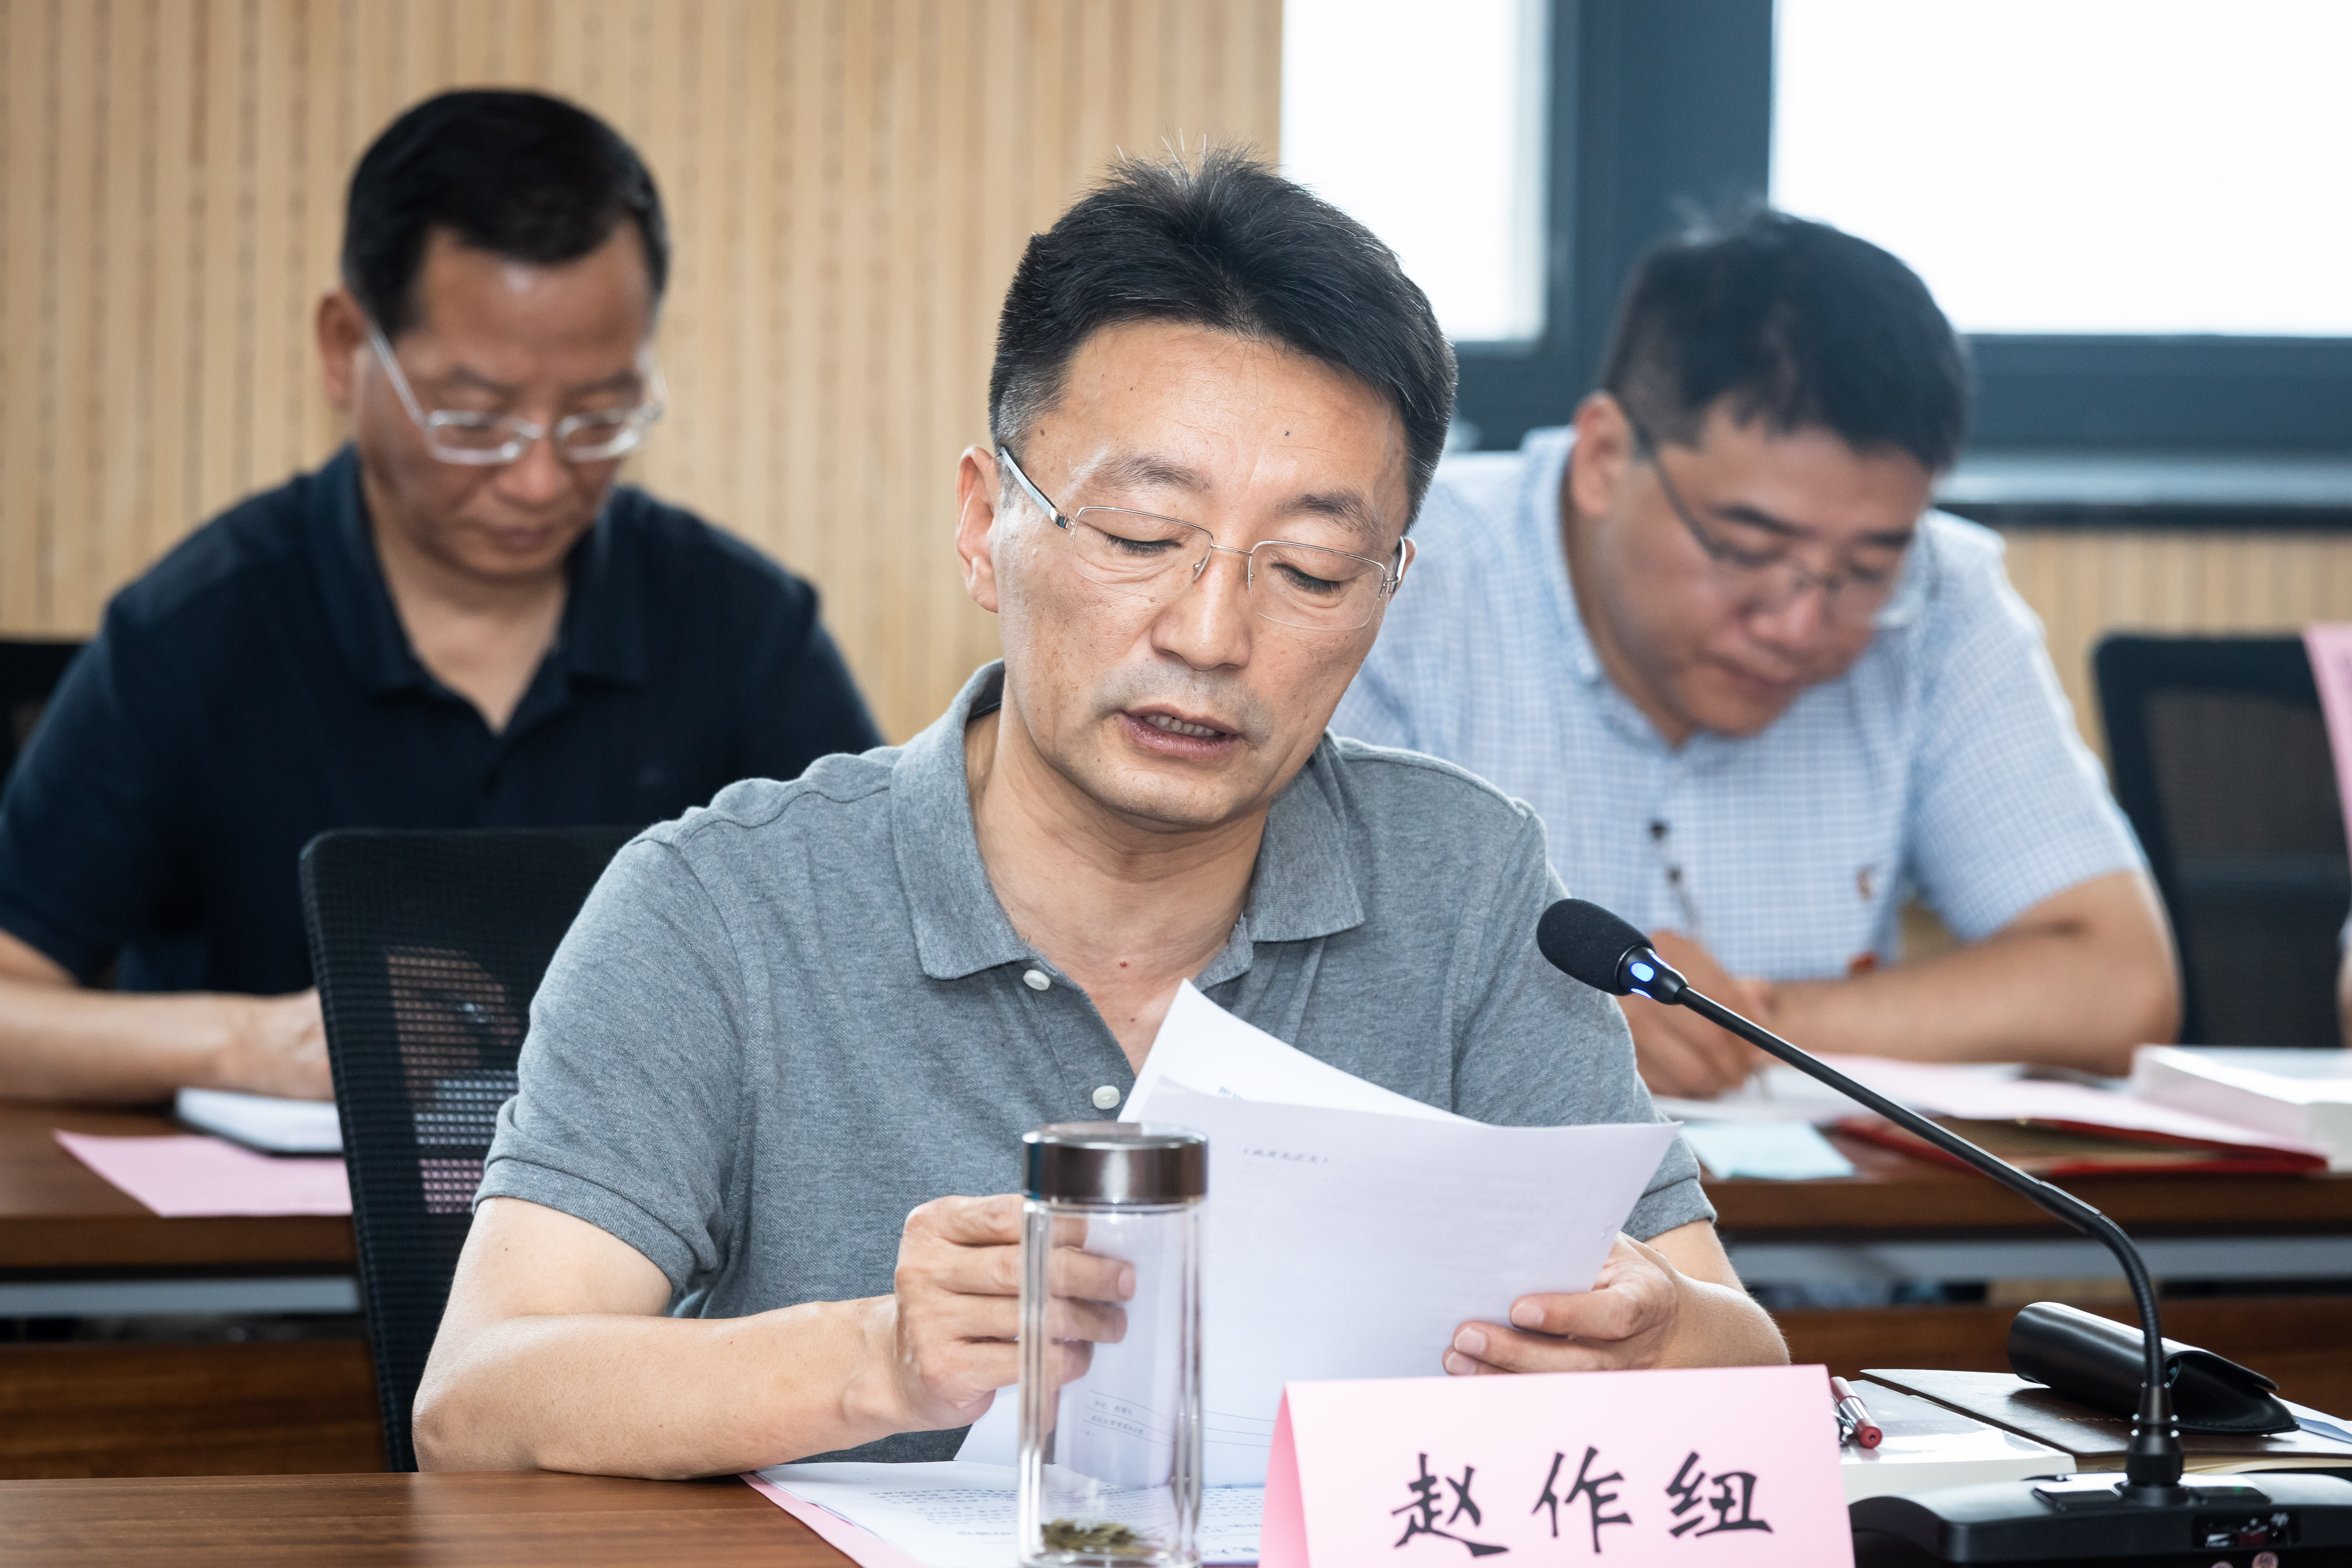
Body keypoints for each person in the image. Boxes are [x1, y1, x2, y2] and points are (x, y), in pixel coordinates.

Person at [411, 150, 1786, 1478]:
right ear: (982, 522)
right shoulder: (721, 902)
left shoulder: (1466, 881)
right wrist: (875, 1363)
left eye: (1312, 570)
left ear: (1388, 588)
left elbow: (1737, 1351)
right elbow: (478, 1397)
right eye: (1138, 539)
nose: (1211, 634)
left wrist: (1658, 1336)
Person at [0, 90, 880, 1105]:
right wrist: (249, 1043)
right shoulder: (196, 632)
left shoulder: (743, 630)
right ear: (346, 347)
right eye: (474, 420)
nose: (539, 480)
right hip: (277, 1209)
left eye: (598, 417)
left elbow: (887, 971)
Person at [1331, 212, 2178, 1099]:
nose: (1798, 625)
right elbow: (1275, 980)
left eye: (1864, 569)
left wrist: (1737, 1023)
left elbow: (2120, 981)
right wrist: (1535, 1019)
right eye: (1744, 548)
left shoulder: (1937, 596)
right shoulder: (1394, 581)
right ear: (1605, 458)